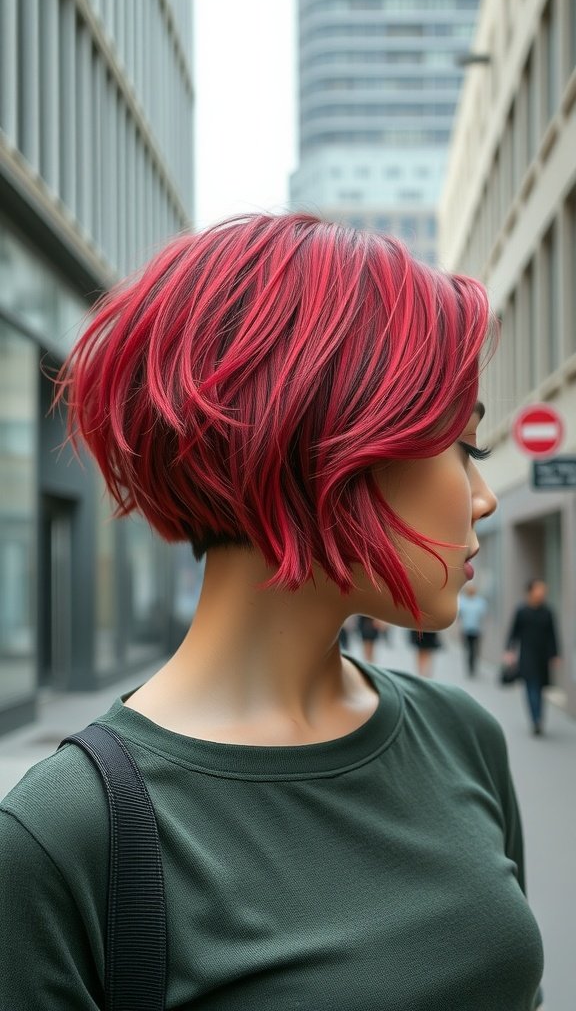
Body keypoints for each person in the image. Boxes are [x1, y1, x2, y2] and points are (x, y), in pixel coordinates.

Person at [0, 214, 543, 1009]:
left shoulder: (462, 737)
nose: (485, 499)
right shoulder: (65, 835)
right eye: (465, 447)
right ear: (327, 440)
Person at [504, 578, 559, 735]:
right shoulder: (522, 611)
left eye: (543, 589)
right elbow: (513, 632)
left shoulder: (548, 611)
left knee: (540, 688)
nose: (542, 592)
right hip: (527, 655)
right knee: (531, 686)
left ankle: (539, 717)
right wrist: (509, 650)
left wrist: (555, 654)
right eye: (538, 589)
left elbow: (553, 634)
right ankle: (535, 720)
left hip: (542, 656)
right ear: (530, 591)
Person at [458, 582, 488, 676]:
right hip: (466, 629)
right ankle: (470, 667)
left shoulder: (480, 602)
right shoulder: (462, 601)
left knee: (475, 649)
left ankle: (474, 666)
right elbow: (459, 615)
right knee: (468, 649)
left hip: (477, 630)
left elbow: (484, 615)